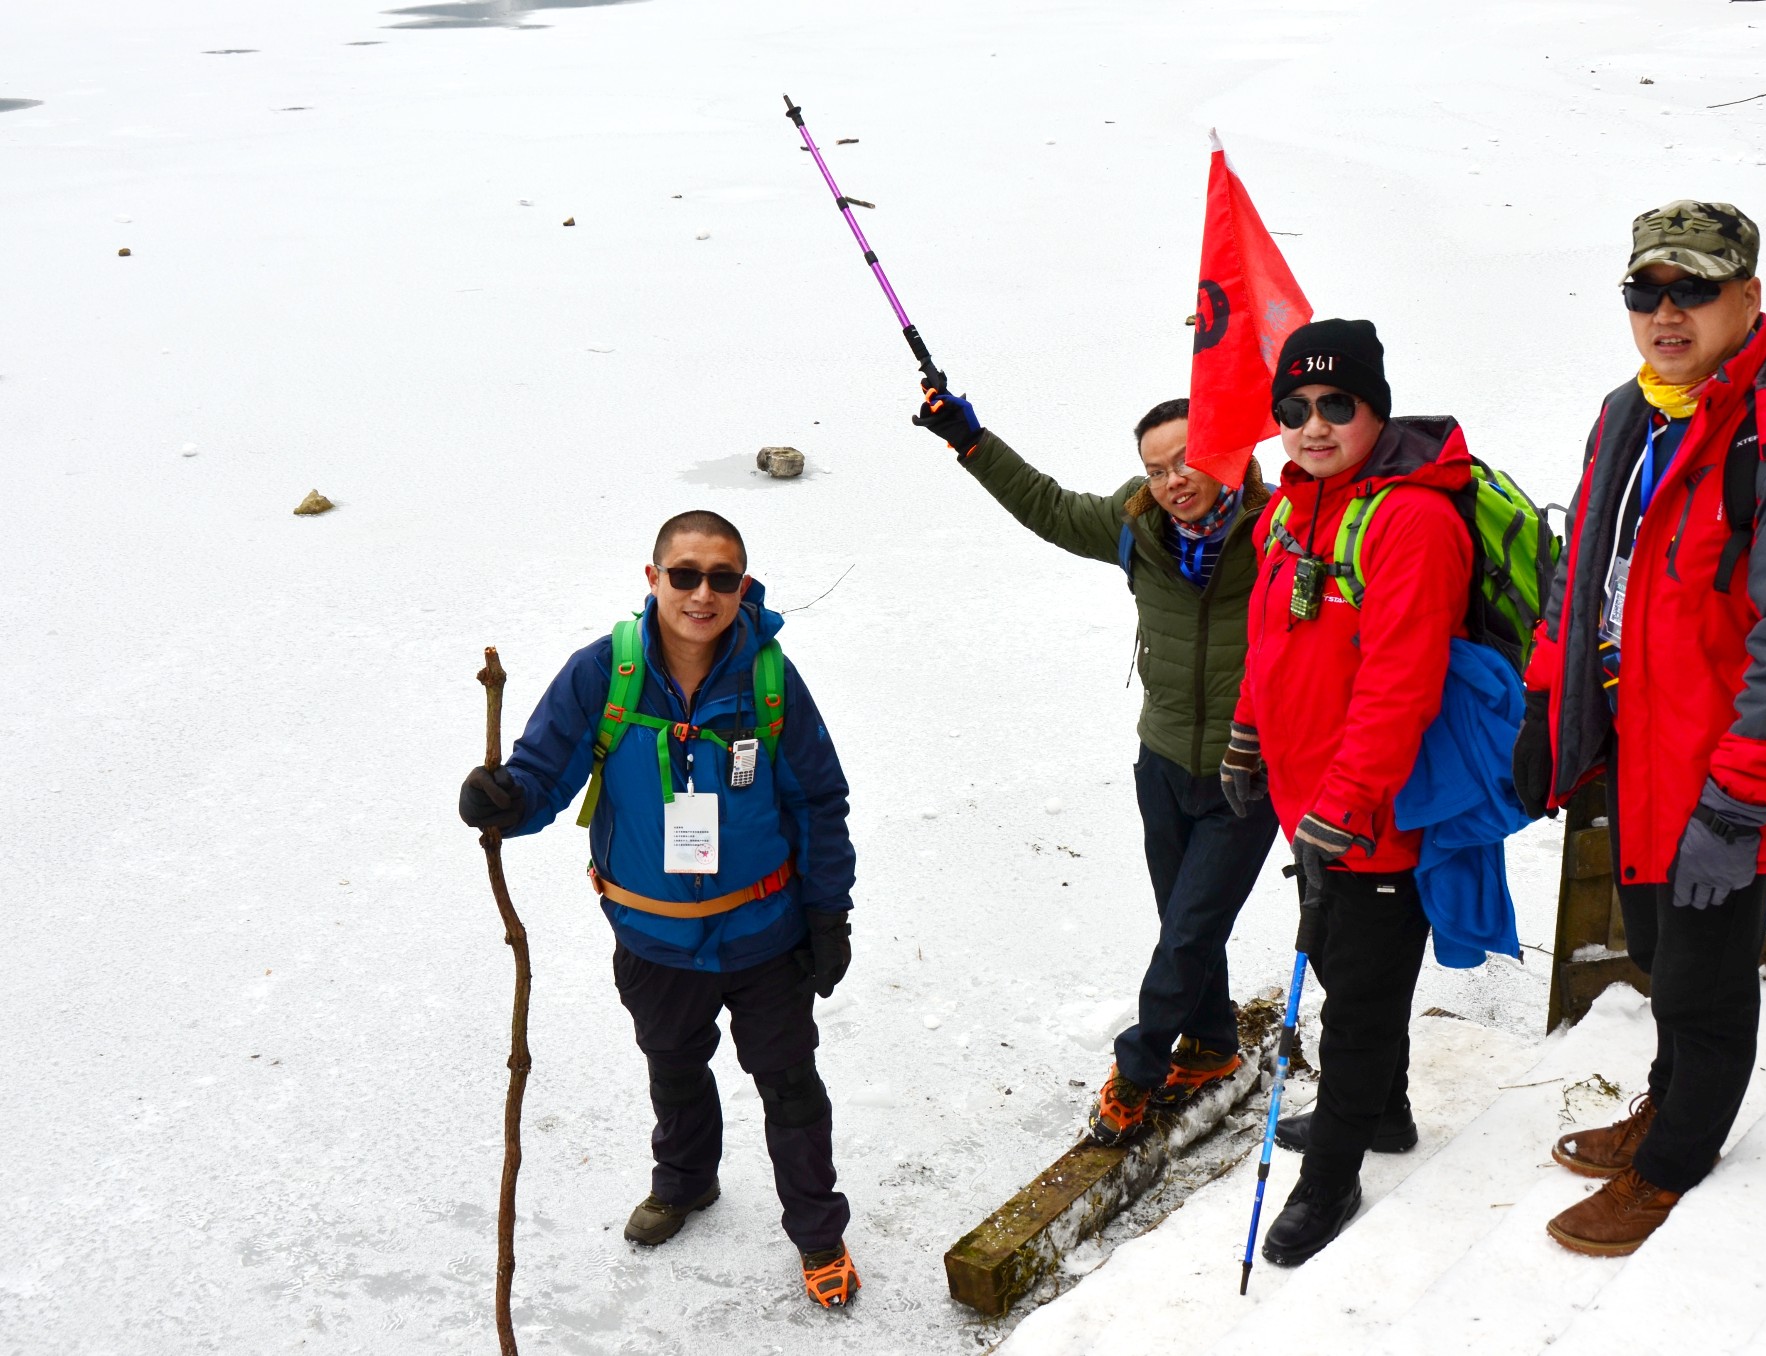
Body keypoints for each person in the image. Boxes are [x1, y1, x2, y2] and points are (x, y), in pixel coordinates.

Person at [1516, 201, 1766, 1256]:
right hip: (1636, 751)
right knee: (1654, 949)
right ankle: (1665, 1102)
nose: (1664, 312)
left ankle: (1675, 1158)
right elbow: (1577, 576)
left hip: (1724, 769)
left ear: (1747, 296)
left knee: (1704, 977)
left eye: (1692, 289)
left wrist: (1738, 799)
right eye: (1645, 290)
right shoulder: (1629, 413)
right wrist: (1548, 698)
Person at [456, 510, 863, 1308]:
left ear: (741, 587)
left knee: (790, 1088)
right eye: (684, 574)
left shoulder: (770, 681)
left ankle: (818, 1233)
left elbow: (819, 801)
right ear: (653, 579)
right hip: (651, 934)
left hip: (765, 935)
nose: (701, 594)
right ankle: (685, 1182)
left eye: (721, 578)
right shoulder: (605, 673)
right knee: (673, 1070)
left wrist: (829, 913)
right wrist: (502, 800)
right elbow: (545, 775)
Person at [911, 386, 1284, 1145]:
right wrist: (970, 441)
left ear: (1228, 453)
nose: (1174, 479)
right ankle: (1211, 1046)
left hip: (1250, 769)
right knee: (1183, 915)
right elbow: (1045, 505)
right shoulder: (1136, 526)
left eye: (1187, 459)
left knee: (1187, 931)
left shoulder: (1281, 529)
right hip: (1162, 759)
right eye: (1156, 469)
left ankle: (1139, 1067)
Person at [1225, 318, 1479, 1266]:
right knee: (1341, 963)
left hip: (1376, 812)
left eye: (1339, 405)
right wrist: (1250, 730)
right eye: (1294, 408)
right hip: (1312, 801)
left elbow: (1401, 682)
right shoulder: (1290, 510)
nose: (1313, 425)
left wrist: (1346, 799)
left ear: (1376, 406)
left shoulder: (1413, 518)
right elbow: (1270, 638)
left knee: (1360, 1000)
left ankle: (1329, 1177)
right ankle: (1384, 1114)